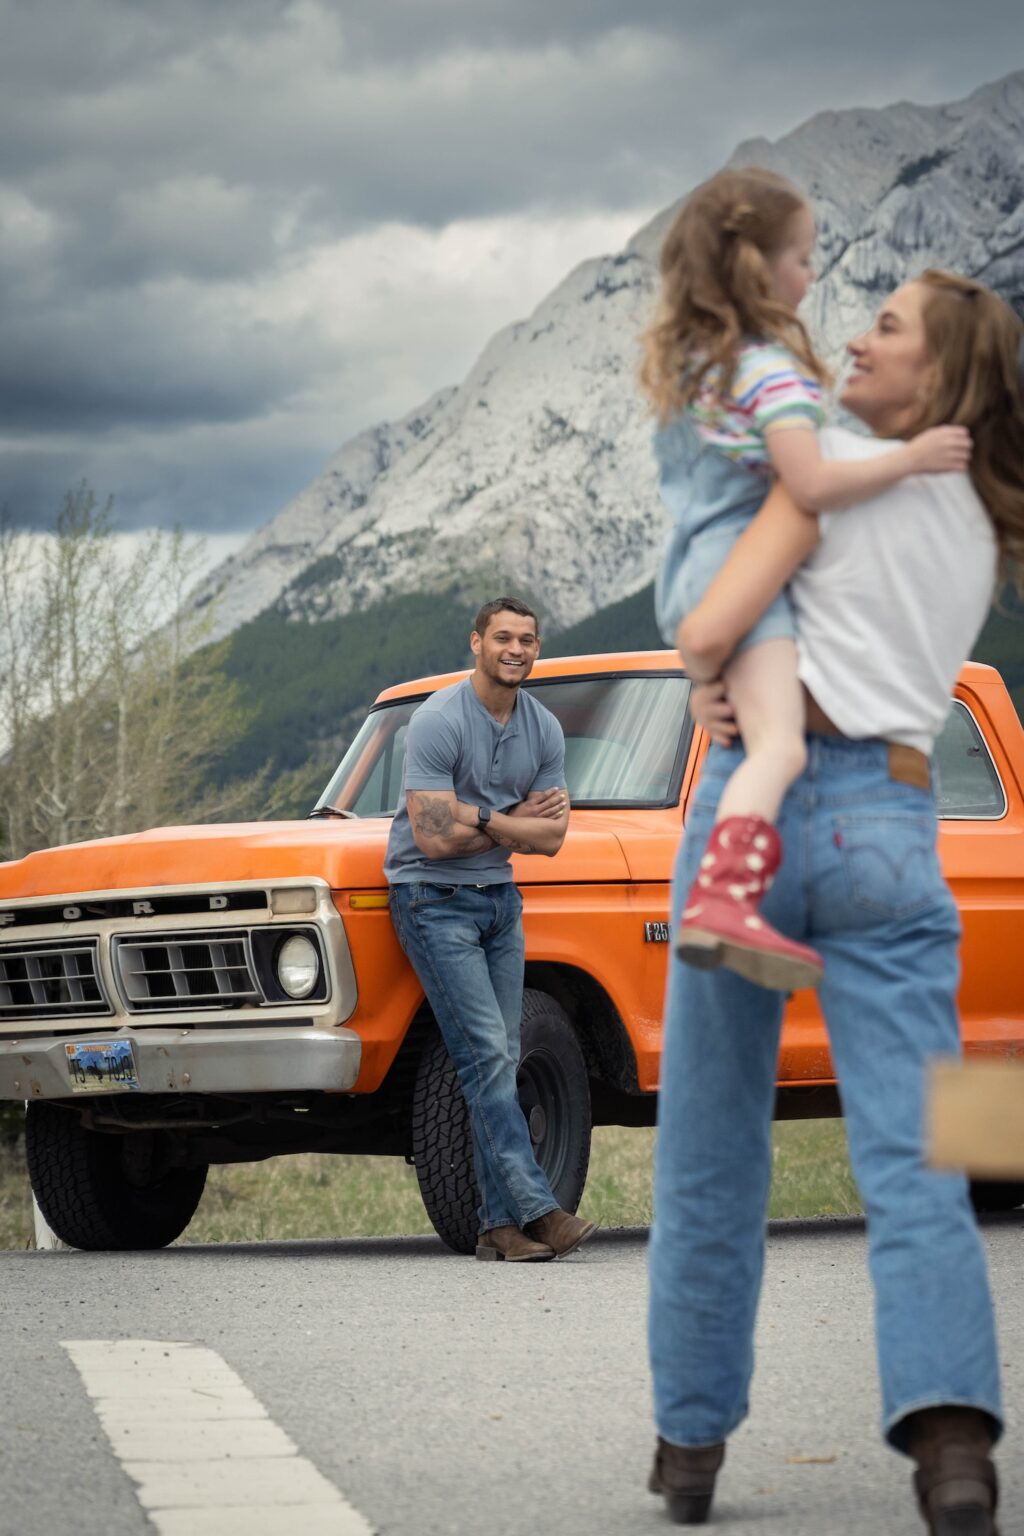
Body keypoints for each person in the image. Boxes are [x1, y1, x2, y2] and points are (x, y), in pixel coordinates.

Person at [647, 269, 1024, 1534]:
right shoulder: (978, 516)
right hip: (892, 820)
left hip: (750, 814)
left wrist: (707, 674)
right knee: (926, 1153)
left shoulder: (825, 470)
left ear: (942, 371)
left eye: (888, 327)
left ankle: (690, 1445)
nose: (856, 338)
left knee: (710, 1150)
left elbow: (711, 626)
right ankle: (953, 1448)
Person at [640, 167, 971, 993]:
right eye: (802, 256)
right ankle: (727, 896)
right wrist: (911, 458)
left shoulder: (699, 373)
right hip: (740, 572)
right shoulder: (772, 374)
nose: (813, 274)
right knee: (780, 744)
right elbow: (811, 484)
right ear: (757, 266)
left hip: (694, 570)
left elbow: (703, 635)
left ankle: (724, 894)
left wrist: (704, 677)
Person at [385, 596, 596, 1263]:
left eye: (527, 639)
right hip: (432, 900)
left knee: (500, 1056)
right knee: (487, 1056)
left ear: (537, 648)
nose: (515, 649)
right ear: (476, 642)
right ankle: (540, 1210)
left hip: (500, 903)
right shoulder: (438, 719)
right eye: (502, 637)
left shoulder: (543, 728)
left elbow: (552, 838)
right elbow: (431, 838)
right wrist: (510, 820)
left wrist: (477, 816)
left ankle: (496, 1229)